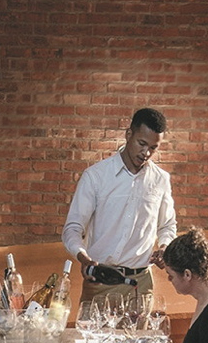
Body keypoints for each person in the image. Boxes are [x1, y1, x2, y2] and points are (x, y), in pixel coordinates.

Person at [63, 107, 176, 309]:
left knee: (142, 331)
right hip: (100, 280)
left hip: (141, 284)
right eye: (142, 144)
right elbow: (72, 228)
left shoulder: (160, 180)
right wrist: (83, 258)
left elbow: (167, 225)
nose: (146, 153)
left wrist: (164, 247)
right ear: (128, 134)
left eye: (153, 148)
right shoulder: (96, 177)